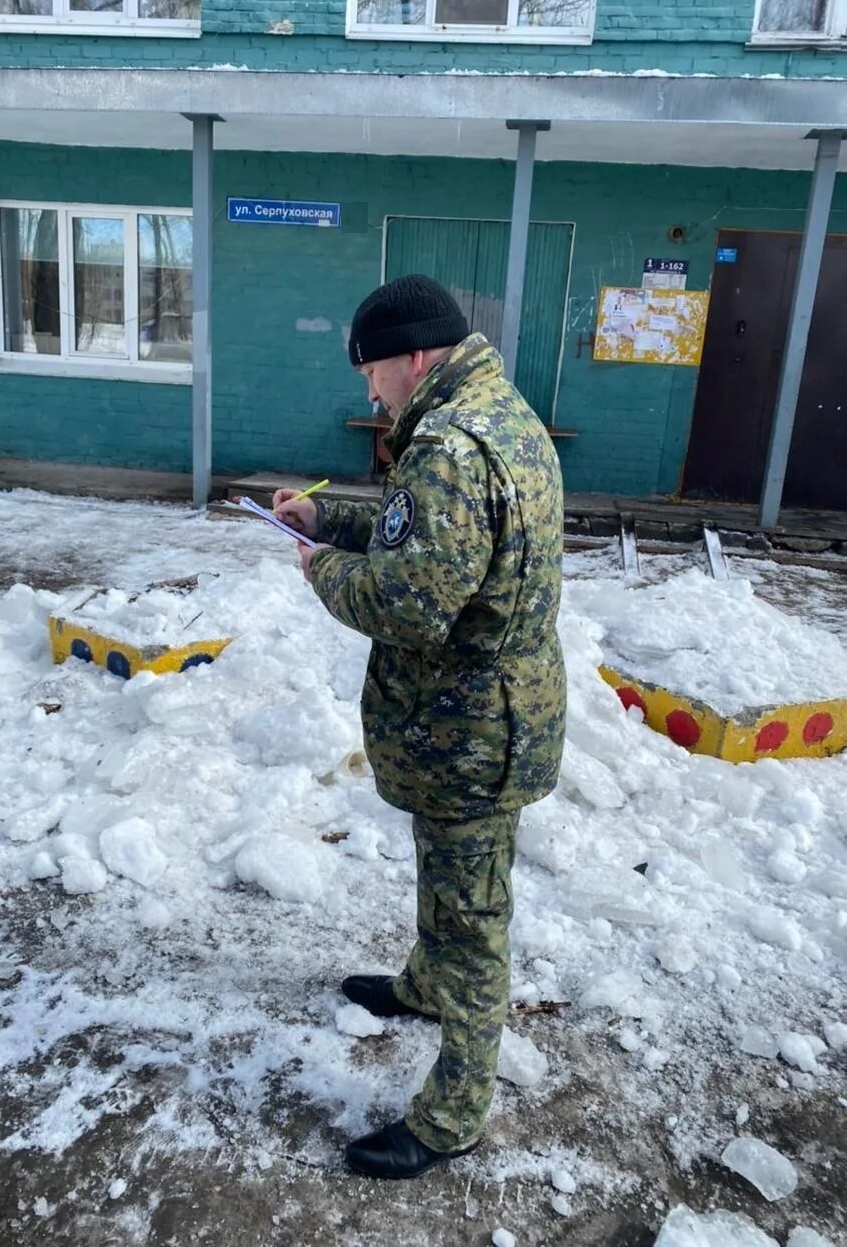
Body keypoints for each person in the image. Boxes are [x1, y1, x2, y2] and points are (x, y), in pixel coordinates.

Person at [274, 274, 566, 1180]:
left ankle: (452, 1116)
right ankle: (427, 984)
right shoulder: (494, 412)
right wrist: (332, 518)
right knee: (454, 875)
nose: (369, 391)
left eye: (372, 372)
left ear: (413, 357)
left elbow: (406, 600)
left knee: (475, 916)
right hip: (485, 719)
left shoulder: (448, 444)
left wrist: (318, 567)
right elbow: (431, 537)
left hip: (471, 731)